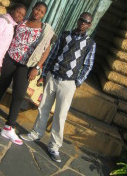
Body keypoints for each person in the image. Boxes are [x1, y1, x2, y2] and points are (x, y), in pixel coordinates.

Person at [20, 12, 96, 163]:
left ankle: (54, 146)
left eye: (86, 22)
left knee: (60, 115)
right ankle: (36, 133)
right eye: (81, 19)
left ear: (89, 25)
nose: (82, 23)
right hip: (53, 76)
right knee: (43, 107)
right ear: (78, 19)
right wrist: (45, 73)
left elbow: (88, 65)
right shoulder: (65, 35)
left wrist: (78, 81)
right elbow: (53, 53)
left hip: (68, 82)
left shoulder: (89, 43)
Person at [0, 2, 54, 146]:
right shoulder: (22, 22)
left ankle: (9, 127)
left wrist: (37, 68)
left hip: (26, 66)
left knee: (18, 95)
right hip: (10, 59)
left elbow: (46, 51)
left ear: (44, 14)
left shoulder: (44, 29)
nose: (38, 13)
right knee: (1, 85)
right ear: (33, 9)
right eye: (37, 9)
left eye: (41, 12)